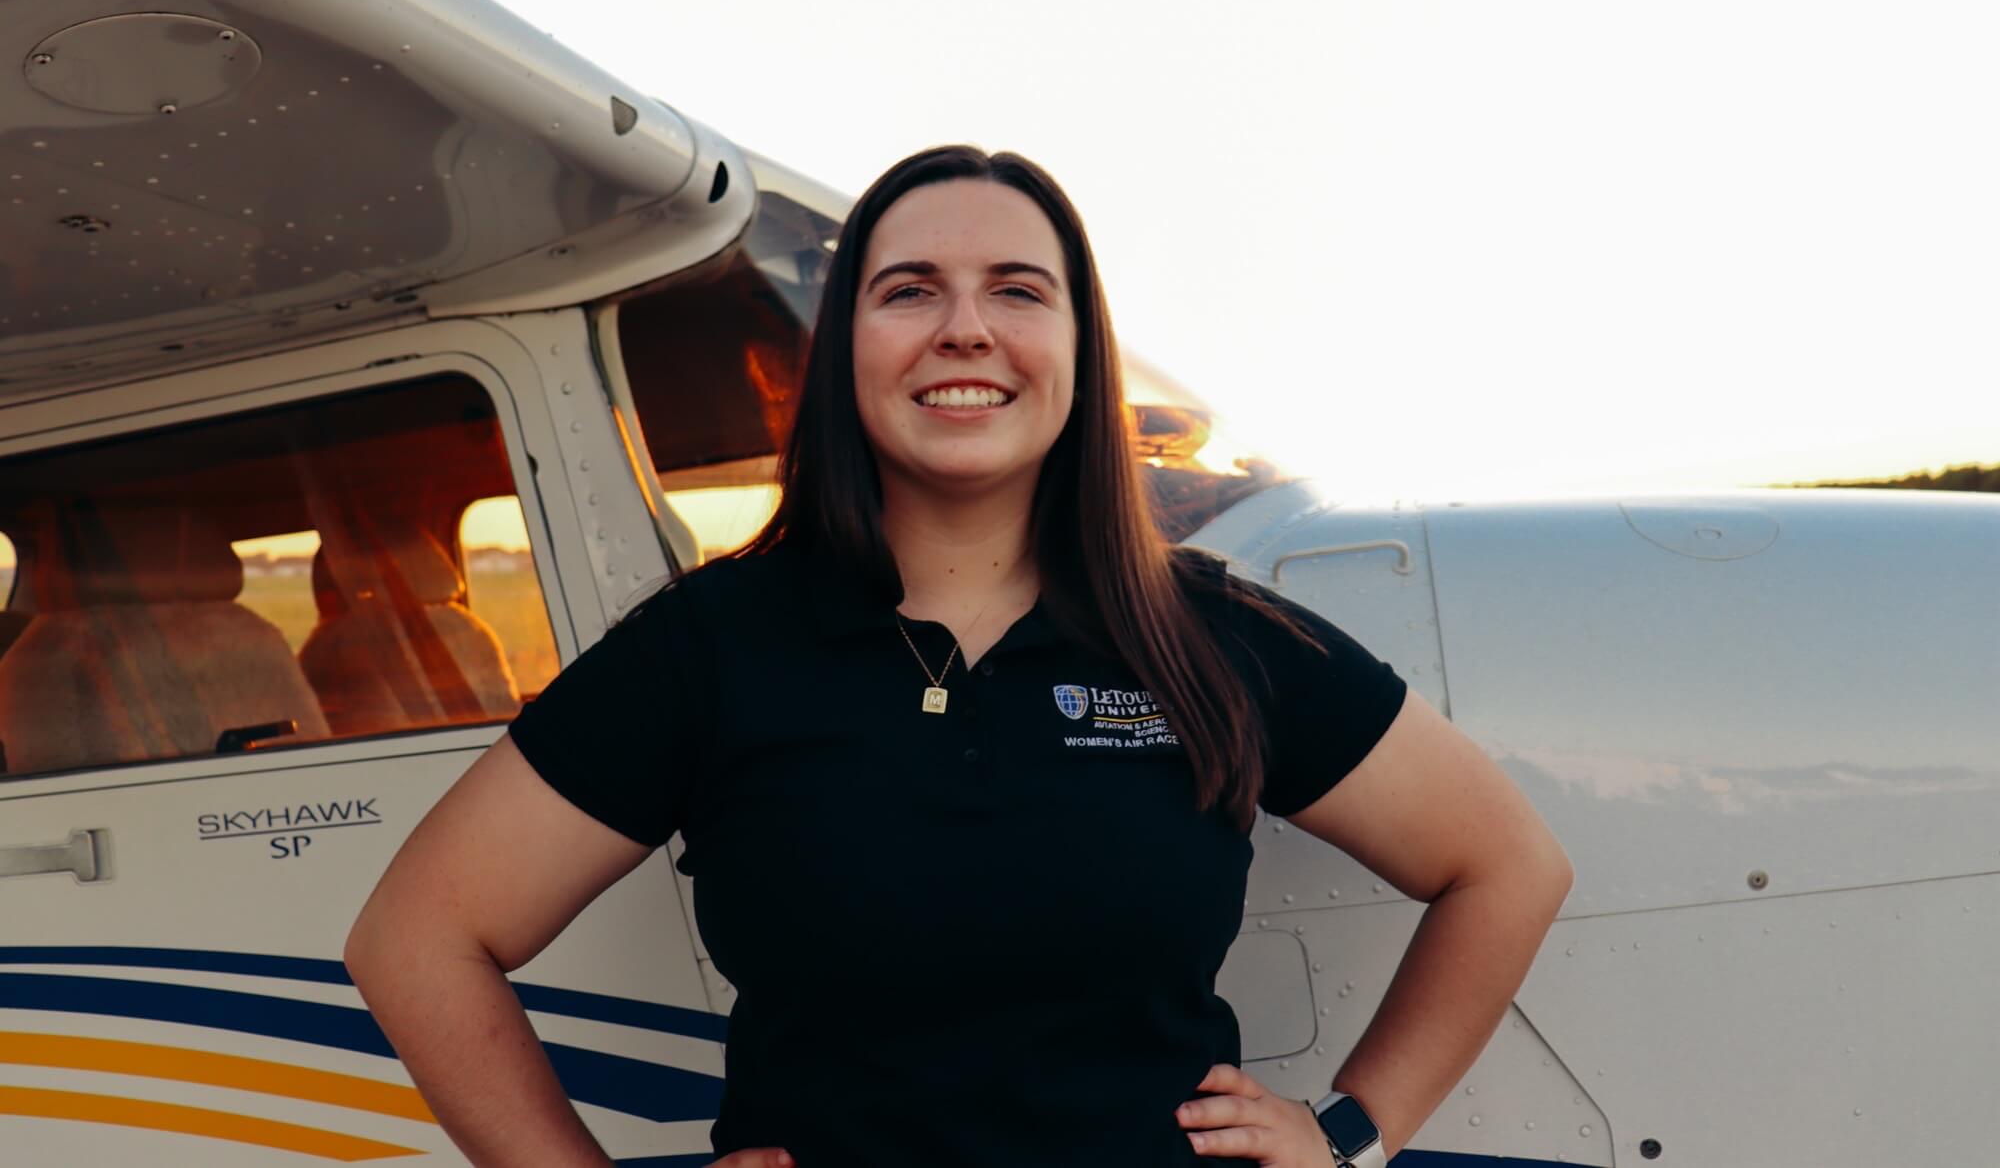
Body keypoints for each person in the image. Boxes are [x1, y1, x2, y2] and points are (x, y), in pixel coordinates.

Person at [344, 145, 1574, 1167]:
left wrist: (1349, 1133)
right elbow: (416, 938)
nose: (965, 329)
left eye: (1018, 290)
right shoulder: (713, 644)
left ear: (1078, 350)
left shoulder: (1207, 635)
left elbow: (1503, 864)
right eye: (909, 289)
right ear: (846, 353)